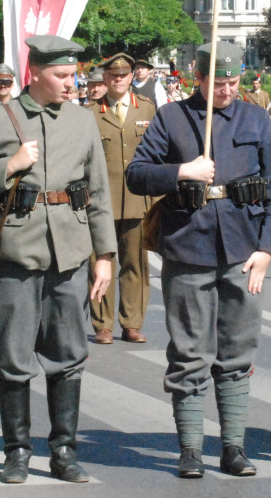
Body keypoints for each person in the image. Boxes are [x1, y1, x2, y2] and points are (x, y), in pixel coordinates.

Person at [0, 34, 115, 485]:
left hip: (69, 252)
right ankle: (17, 452)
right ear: (36, 74)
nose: (72, 83)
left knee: (68, 356)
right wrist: (7, 167)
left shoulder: (83, 121)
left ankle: (64, 451)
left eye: (74, 75)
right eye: (62, 76)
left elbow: (98, 193)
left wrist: (104, 255)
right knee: (13, 357)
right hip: (15, 253)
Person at [125, 41, 271, 479]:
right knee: (189, 353)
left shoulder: (255, 118)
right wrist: (182, 171)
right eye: (218, 83)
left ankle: (233, 447)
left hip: (243, 250)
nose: (227, 91)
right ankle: (190, 450)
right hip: (188, 246)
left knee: (237, 352)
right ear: (197, 77)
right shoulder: (171, 117)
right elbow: (137, 174)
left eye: (234, 82)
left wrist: (267, 249)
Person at [87, 53, 157, 345]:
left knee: (136, 265)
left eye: (124, 74)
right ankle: (103, 324)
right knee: (101, 263)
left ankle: (132, 322)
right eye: (112, 75)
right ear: (104, 78)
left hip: (138, 200)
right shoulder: (91, 113)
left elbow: (157, 155)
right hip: (101, 203)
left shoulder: (148, 109)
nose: (118, 79)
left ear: (132, 77)